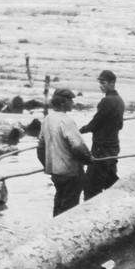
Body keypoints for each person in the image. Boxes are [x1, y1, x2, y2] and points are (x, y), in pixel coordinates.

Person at [37, 88, 93, 217]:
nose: (73, 103)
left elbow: (40, 148)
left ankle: (53, 230)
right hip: (70, 172)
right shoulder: (66, 120)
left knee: (59, 201)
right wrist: (88, 159)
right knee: (70, 208)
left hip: (56, 172)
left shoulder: (47, 119)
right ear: (63, 103)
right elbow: (79, 147)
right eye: (70, 101)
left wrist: (47, 166)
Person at [80, 69, 124, 200]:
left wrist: (79, 131)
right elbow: (120, 125)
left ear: (112, 83)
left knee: (91, 186)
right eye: (100, 82)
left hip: (101, 148)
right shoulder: (119, 100)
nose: (100, 86)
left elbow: (95, 124)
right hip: (113, 148)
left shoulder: (106, 101)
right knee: (111, 182)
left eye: (103, 83)